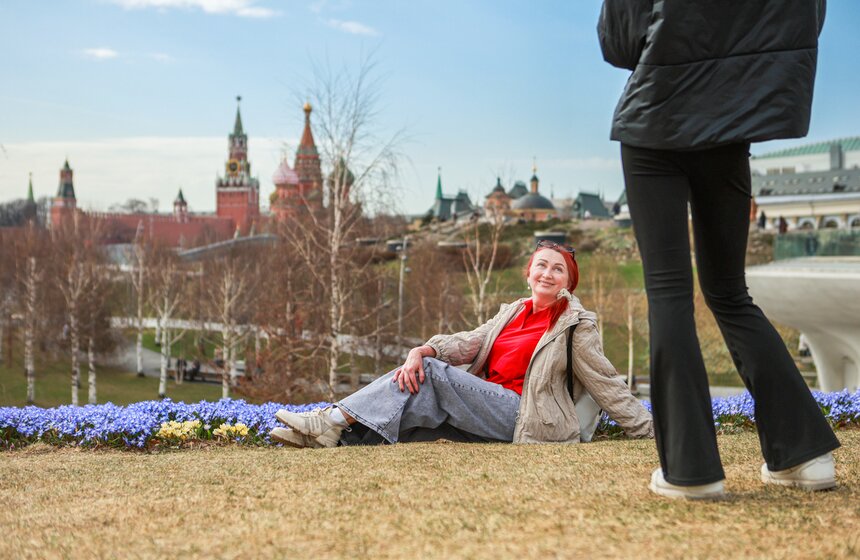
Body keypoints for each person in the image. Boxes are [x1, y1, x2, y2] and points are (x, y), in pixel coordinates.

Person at [598, 0, 839, 499]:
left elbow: (617, 40)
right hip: (733, 122)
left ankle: (692, 471)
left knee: (668, 292)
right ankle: (805, 456)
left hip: (656, 121)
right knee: (730, 292)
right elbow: (806, 20)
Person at [271, 241, 652, 448]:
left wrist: (648, 429)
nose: (548, 273)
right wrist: (423, 349)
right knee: (419, 387)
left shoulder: (574, 325)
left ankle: (330, 419)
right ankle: (337, 437)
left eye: (558, 269)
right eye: (542, 265)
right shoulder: (512, 313)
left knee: (432, 376)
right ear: (529, 273)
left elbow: (606, 382)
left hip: (529, 416)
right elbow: (468, 343)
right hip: (491, 402)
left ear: (569, 281)